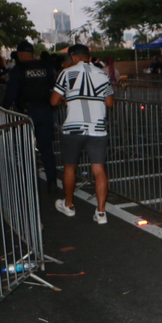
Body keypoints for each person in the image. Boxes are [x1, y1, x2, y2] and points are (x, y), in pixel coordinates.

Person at [50, 44, 114, 222]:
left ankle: (69, 205)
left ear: (73, 57)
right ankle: (101, 212)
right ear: (88, 56)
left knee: (70, 167)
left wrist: (68, 98)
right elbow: (109, 103)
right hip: (97, 129)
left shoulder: (66, 73)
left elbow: (53, 100)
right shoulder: (102, 74)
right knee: (99, 169)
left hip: (73, 128)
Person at [4, 40, 58, 191]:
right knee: (46, 148)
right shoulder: (46, 67)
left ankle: (27, 183)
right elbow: (53, 86)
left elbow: (11, 93)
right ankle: (52, 181)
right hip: (45, 110)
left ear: (20, 54)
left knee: (24, 147)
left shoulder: (17, 70)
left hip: (26, 113)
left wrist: (4, 107)